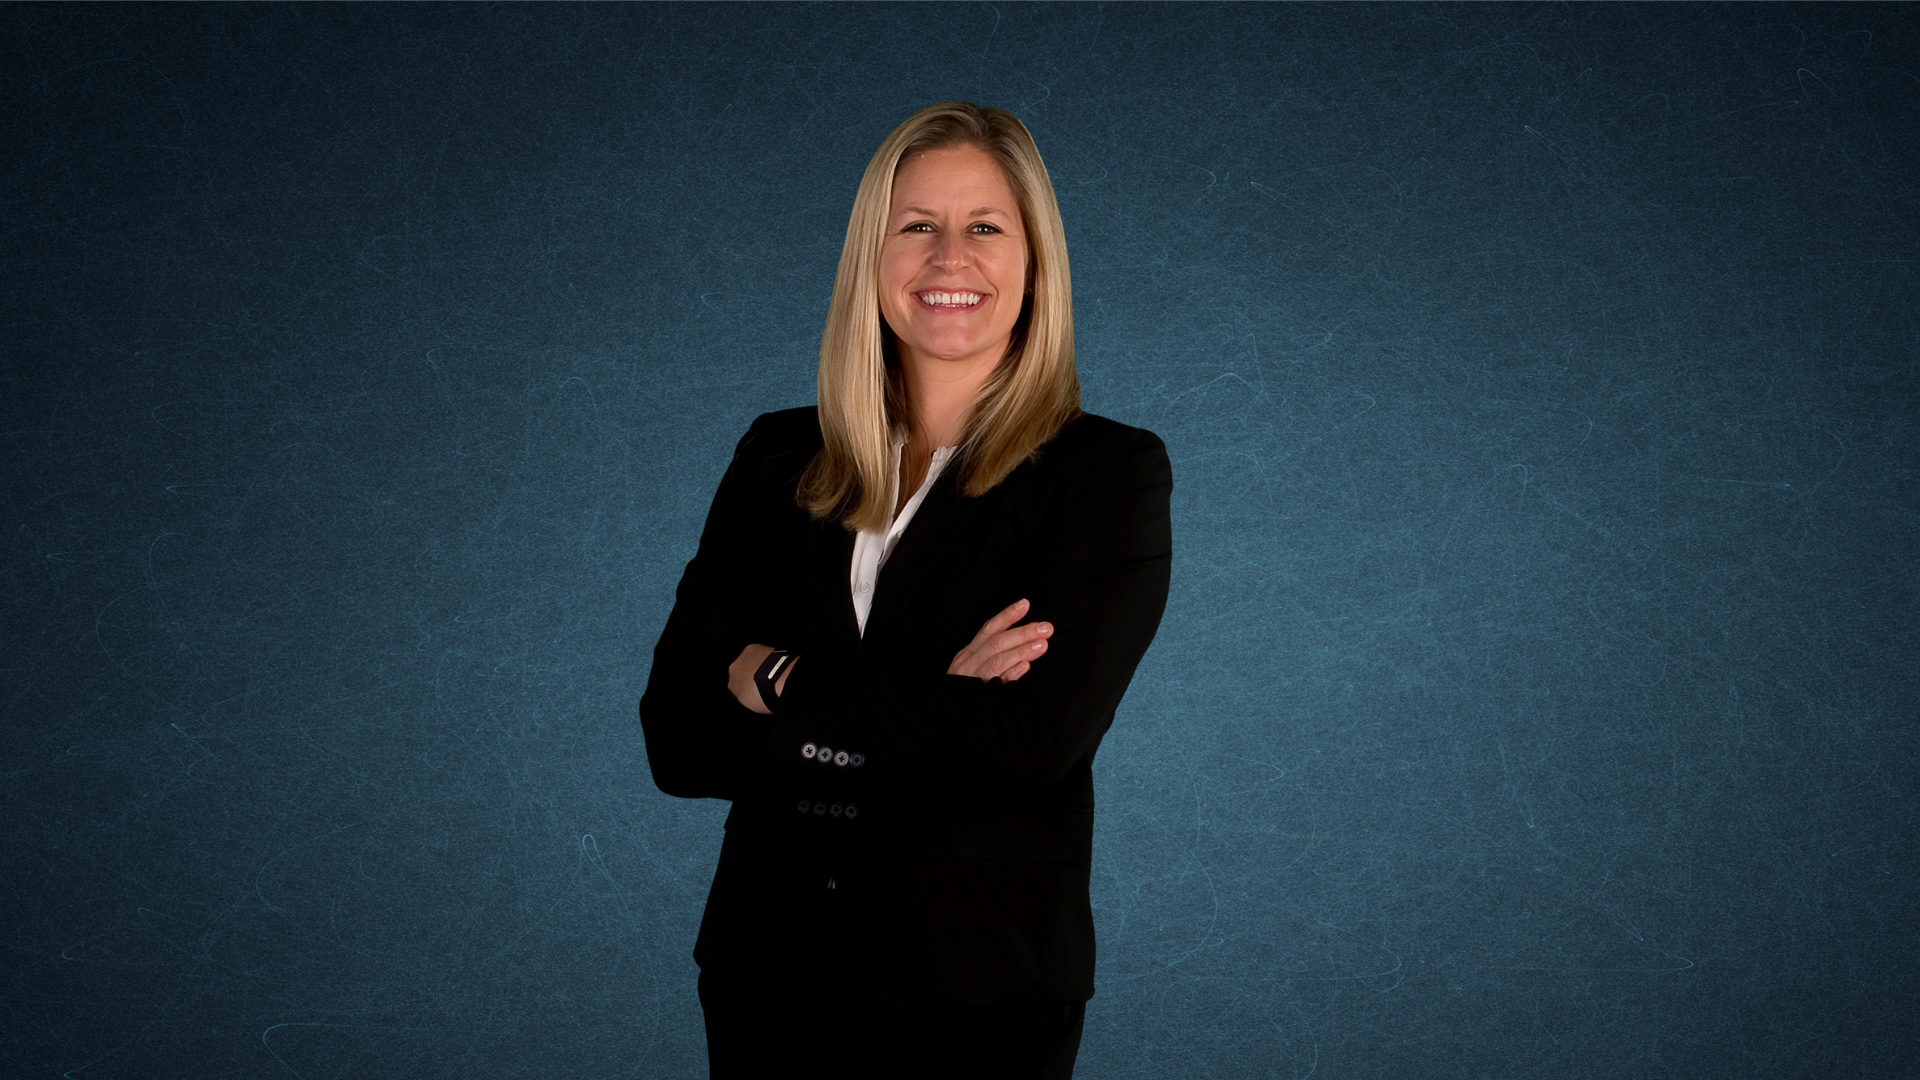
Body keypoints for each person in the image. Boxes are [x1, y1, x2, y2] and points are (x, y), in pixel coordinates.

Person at [639, 101, 1172, 1080]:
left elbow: (1029, 745)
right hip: (771, 977)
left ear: (1034, 258)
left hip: (976, 993)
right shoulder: (774, 456)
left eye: (984, 227)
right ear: (871, 255)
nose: (947, 258)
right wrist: (939, 700)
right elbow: (678, 738)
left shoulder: (1103, 474)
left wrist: (784, 678)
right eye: (916, 225)